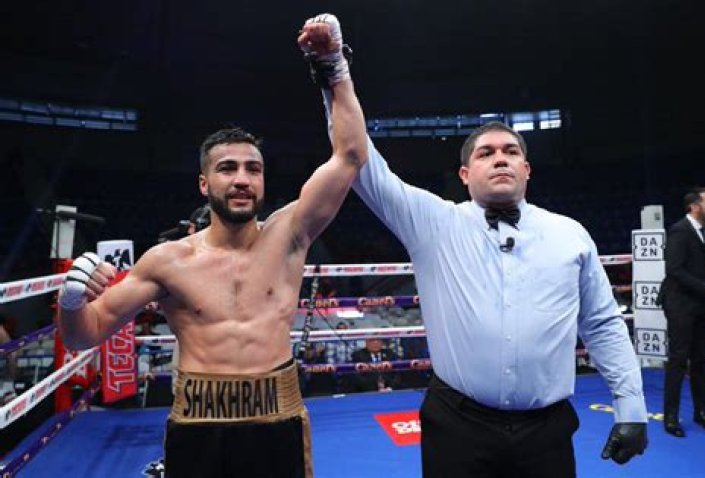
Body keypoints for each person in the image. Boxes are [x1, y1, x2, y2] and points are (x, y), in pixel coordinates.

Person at [311, 32, 648, 475]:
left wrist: (631, 406)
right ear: (465, 174)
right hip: (457, 426)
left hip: (546, 430)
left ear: (526, 169)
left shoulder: (571, 235)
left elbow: (602, 323)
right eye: (486, 153)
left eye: (511, 151)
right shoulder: (435, 223)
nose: (500, 158)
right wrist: (334, 71)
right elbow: (360, 161)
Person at [57, 14, 367, 478]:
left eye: (253, 169)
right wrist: (71, 300)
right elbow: (86, 333)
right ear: (204, 184)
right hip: (199, 428)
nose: (242, 179)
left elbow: (351, 155)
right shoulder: (168, 261)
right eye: (227, 168)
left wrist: (333, 66)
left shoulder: (290, 234)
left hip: (277, 421)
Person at [658, 187, 705, 437]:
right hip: (681, 306)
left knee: (701, 360)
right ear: (695, 206)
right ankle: (671, 416)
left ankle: (701, 412)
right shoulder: (679, 231)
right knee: (678, 360)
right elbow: (674, 270)